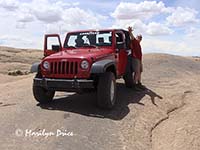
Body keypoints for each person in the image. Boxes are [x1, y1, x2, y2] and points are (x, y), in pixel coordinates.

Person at [128, 26, 146, 91]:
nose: (140, 38)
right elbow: (132, 37)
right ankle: (134, 85)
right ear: (136, 37)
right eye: (139, 37)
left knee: (140, 72)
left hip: (139, 59)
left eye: (141, 37)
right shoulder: (135, 42)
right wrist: (130, 32)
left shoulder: (138, 43)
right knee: (137, 72)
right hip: (135, 59)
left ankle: (139, 83)